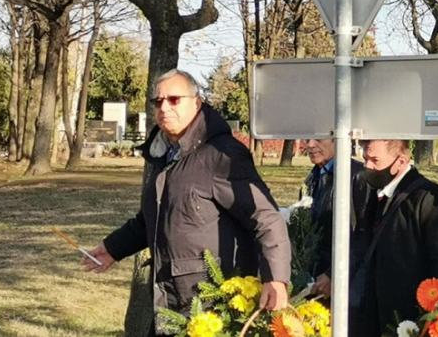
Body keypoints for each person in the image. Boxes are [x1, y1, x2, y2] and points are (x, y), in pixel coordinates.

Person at [81, 69, 292, 336]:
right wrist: (112, 248)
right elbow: (154, 218)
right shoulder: (164, 155)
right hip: (170, 301)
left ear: (197, 103)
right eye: (158, 101)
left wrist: (276, 278)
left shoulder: (222, 154)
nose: (164, 108)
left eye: (174, 99)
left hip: (214, 308)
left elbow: (265, 217)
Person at [353, 139, 438, 337]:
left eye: (375, 160)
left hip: (410, 319)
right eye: (365, 158)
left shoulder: (430, 197)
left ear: (401, 161)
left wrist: (426, 316)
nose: (367, 166)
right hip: (374, 315)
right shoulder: (375, 192)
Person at [302, 138, 370, 300]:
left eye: (319, 138)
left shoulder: (357, 177)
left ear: (337, 138)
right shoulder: (312, 178)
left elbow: (364, 235)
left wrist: (335, 273)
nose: (310, 145)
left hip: (348, 286)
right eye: (307, 139)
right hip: (316, 283)